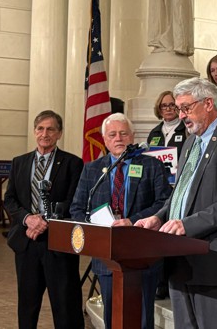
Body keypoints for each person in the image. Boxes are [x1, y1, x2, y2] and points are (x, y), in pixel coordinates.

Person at [134, 77, 217, 329]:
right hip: (181, 255)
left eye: (186, 107)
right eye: (179, 109)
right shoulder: (191, 142)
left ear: (209, 104)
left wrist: (187, 225)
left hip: (215, 256)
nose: (181, 115)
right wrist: (159, 217)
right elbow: (181, 193)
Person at [69, 113, 170, 329]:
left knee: (142, 317)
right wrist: (96, 229)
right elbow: (77, 209)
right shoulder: (92, 169)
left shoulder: (152, 165)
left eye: (124, 133)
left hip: (142, 254)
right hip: (107, 255)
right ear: (104, 139)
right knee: (112, 316)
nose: (119, 138)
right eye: (112, 134)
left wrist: (132, 221)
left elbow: (164, 204)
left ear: (132, 136)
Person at [3, 110, 84, 329]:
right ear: (34, 131)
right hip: (26, 242)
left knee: (65, 304)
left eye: (50, 129)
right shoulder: (19, 162)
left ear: (59, 134)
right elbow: (9, 199)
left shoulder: (72, 163)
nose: (44, 133)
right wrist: (28, 219)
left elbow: (74, 201)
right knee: (27, 305)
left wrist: (45, 221)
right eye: (40, 128)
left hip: (58, 243)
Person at [147, 90, 188, 158]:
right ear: (159, 109)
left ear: (178, 106)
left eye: (172, 105)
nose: (168, 109)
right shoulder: (154, 132)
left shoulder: (187, 129)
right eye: (164, 106)